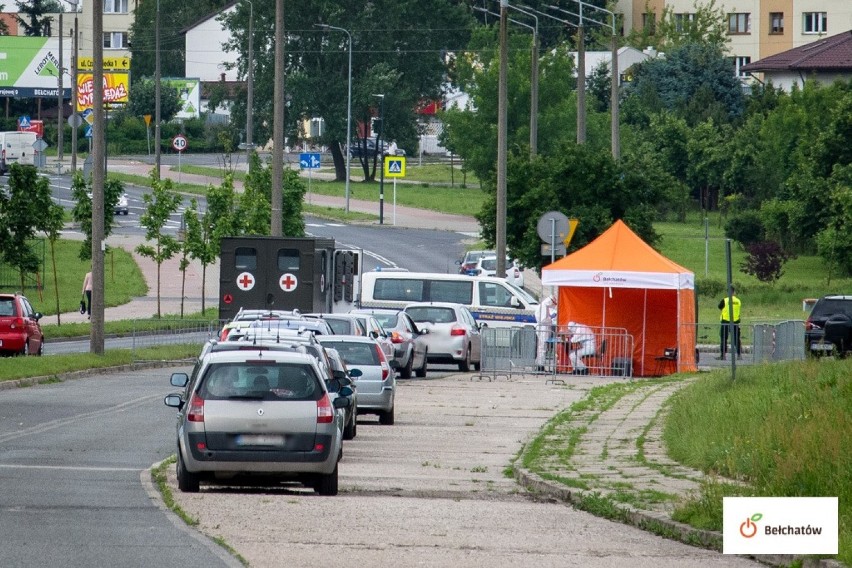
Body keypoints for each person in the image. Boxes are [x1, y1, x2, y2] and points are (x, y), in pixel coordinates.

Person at [718, 286, 742, 360]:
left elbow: (719, 307)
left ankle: (723, 355)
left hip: (725, 322)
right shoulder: (738, 301)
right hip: (735, 323)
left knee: (723, 339)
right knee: (736, 339)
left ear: (728, 293)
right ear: (734, 292)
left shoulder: (725, 300)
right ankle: (739, 355)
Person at [535, 293, 557, 370]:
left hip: (545, 329)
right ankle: (540, 365)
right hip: (543, 330)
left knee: (543, 348)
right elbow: (543, 320)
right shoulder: (543, 307)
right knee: (542, 348)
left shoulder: (545, 306)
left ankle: (540, 364)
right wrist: (551, 317)